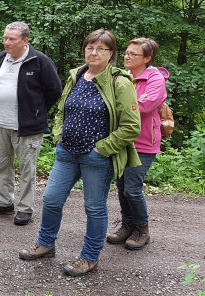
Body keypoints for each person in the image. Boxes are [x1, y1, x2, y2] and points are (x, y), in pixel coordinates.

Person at [19, 29, 141, 277]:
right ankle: (46, 244)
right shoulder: (76, 75)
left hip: (96, 157)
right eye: (89, 47)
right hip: (67, 152)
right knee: (51, 199)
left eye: (101, 49)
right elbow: (62, 110)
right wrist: (59, 136)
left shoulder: (120, 82)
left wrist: (102, 148)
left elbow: (131, 127)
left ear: (111, 54)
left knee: (94, 208)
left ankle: (89, 257)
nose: (93, 53)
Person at [0, 21, 62, 226]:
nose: (6, 42)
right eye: (5, 38)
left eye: (12, 39)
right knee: (0, 166)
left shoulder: (40, 61)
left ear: (25, 40)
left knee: (27, 169)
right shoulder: (0, 58)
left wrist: (37, 111)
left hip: (27, 127)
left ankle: (25, 208)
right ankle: (3, 202)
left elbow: (55, 90)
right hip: (0, 123)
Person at [107, 38, 167, 250]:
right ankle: (128, 224)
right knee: (122, 186)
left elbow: (146, 105)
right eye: (126, 52)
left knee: (132, 188)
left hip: (143, 142)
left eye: (133, 54)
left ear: (147, 58)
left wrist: (115, 106)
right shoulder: (122, 76)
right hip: (121, 140)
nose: (127, 56)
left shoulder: (155, 78)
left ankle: (142, 228)